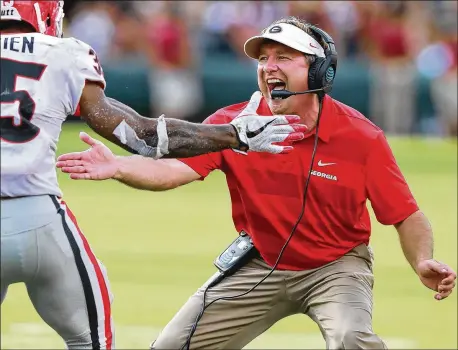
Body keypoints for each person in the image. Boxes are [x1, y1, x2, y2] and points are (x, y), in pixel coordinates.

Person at [57, 16, 457, 350]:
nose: (269, 67)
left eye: (284, 57)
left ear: (320, 72)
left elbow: (406, 215)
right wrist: (120, 167)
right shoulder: (234, 127)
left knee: (353, 339)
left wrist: (422, 260)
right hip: (260, 264)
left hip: (336, 266)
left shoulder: (362, 137)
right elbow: (173, 172)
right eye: (264, 59)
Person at [0, 1, 306, 349]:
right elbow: (143, 136)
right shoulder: (65, 54)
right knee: (92, 340)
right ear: (49, 14)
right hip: (39, 216)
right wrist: (234, 134)